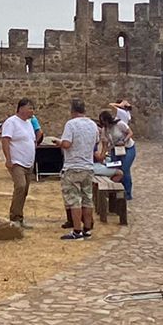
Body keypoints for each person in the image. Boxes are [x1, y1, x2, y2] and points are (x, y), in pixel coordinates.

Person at [55, 98, 101, 241]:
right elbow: (96, 141)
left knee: (74, 200)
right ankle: (87, 230)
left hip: (73, 166)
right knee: (87, 199)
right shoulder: (93, 125)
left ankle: (77, 231)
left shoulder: (71, 124)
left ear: (72, 110)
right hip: (88, 166)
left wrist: (59, 143)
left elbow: (67, 144)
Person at [0, 98, 39, 226]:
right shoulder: (11, 122)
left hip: (28, 162)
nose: (32, 111)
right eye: (30, 108)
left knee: (25, 190)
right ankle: (14, 217)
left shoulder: (28, 123)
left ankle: (19, 215)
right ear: (21, 108)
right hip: (17, 162)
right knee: (20, 186)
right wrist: (8, 159)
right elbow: (5, 140)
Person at [113, 100, 137, 206]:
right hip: (117, 149)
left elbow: (110, 105)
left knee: (125, 169)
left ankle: (127, 192)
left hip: (128, 147)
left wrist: (121, 105)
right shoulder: (122, 114)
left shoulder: (123, 114)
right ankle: (120, 190)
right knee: (118, 168)